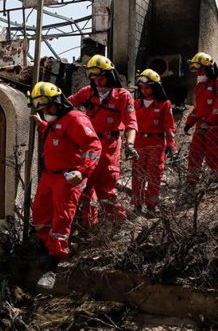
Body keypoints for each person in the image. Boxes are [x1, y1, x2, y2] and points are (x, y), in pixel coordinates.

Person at [28, 81, 102, 289]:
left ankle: (53, 266)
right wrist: (41, 123)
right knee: (40, 217)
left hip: (67, 177)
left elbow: (94, 145)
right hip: (49, 176)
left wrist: (83, 170)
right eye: (42, 109)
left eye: (48, 107)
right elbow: (57, 136)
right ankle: (50, 249)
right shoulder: (55, 120)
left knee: (61, 221)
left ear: (59, 102)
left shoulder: (76, 119)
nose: (46, 111)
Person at [68, 55, 138, 227]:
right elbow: (66, 105)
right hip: (88, 144)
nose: (98, 82)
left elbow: (131, 123)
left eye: (101, 78)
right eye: (95, 79)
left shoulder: (122, 96)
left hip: (109, 144)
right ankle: (90, 226)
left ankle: (120, 224)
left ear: (110, 75)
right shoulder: (86, 92)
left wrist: (129, 144)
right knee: (86, 187)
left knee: (105, 188)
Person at [184, 52, 218, 193]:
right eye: (197, 71)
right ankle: (191, 184)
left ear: (209, 68)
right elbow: (197, 109)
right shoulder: (200, 86)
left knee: (213, 155)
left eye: (201, 70)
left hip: (216, 126)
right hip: (201, 125)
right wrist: (189, 122)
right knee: (195, 154)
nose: (198, 73)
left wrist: (209, 123)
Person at [131, 69, 177, 216]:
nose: (145, 90)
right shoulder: (136, 104)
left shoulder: (164, 104)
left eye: (148, 87)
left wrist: (171, 144)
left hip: (156, 144)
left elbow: (169, 126)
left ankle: (152, 206)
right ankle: (137, 205)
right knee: (138, 175)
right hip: (139, 144)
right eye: (142, 88)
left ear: (155, 87)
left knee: (154, 175)